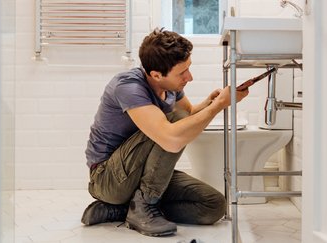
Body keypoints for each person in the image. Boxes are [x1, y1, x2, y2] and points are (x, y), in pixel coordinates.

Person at [80, 28, 249, 237]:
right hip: (108, 179)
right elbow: (171, 138)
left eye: (188, 68)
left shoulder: (170, 85)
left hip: (139, 173)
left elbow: (189, 114)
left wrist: (212, 102)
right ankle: (144, 205)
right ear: (156, 75)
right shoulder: (128, 86)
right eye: (182, 73)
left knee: (213, 205)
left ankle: (126, 210)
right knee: (173, 124)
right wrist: (218, 106)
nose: (190, 77)